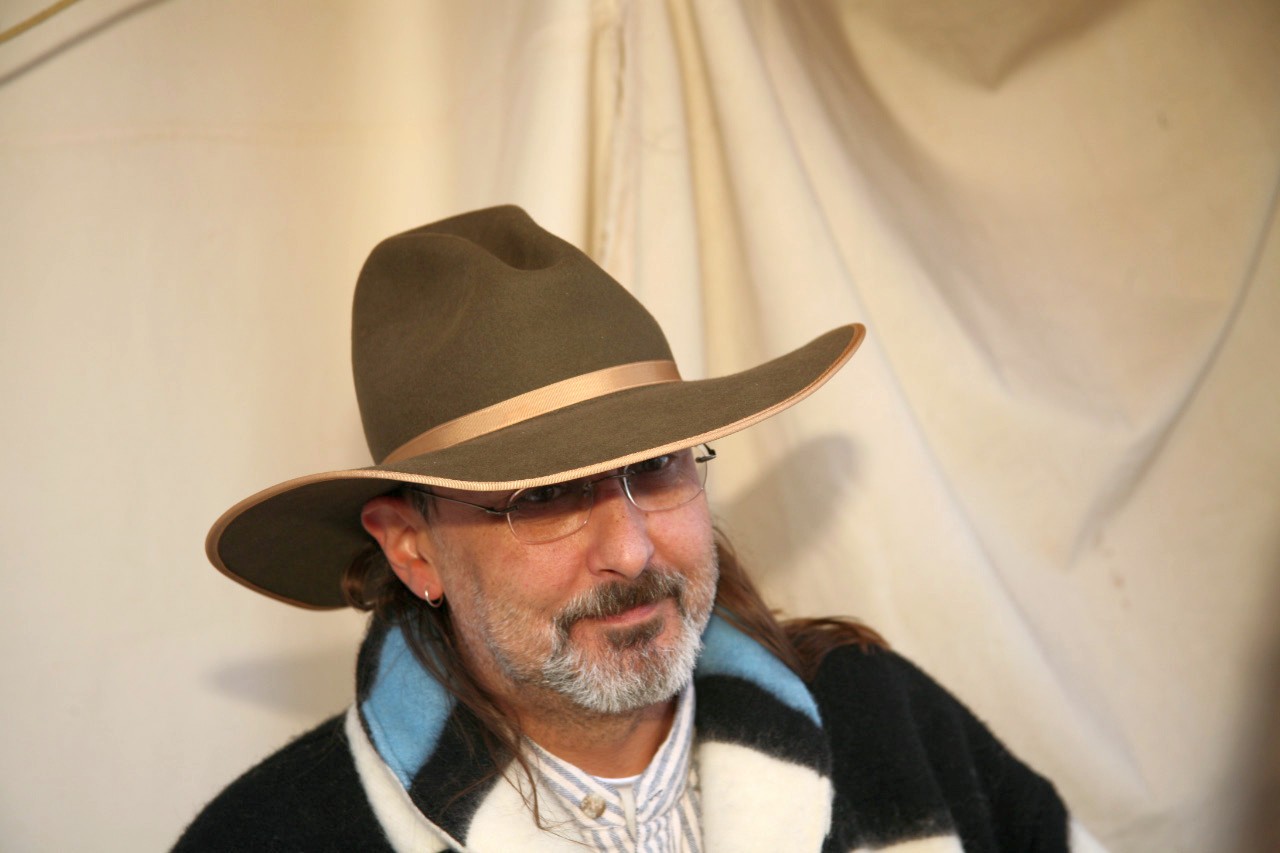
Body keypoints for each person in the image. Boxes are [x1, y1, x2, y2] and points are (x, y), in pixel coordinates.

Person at [177, 206, 1099, 852]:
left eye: (656, 468)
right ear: (412, 547)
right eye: (543, 496)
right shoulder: (273, 837)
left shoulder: (884, 721)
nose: (629, 550)